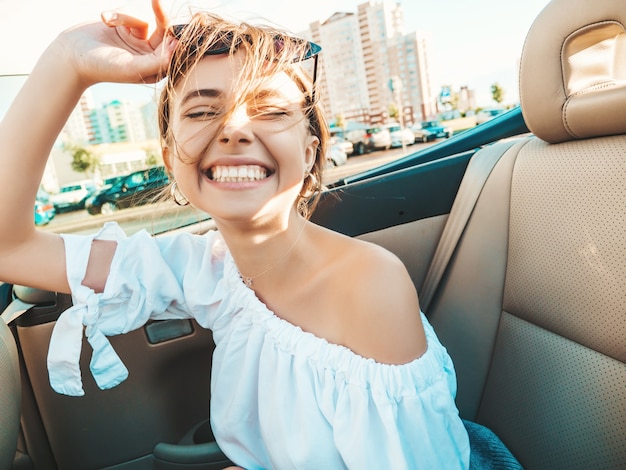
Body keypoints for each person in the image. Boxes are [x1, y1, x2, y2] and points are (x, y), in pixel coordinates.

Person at [0, 0, 470, 467]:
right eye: (204, 112)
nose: (234, 128)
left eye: (268, 110)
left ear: (309, 154)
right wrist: (69, 60)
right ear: (171, 160)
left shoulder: (370, 286)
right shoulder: (206, 268)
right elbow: (10, 247)